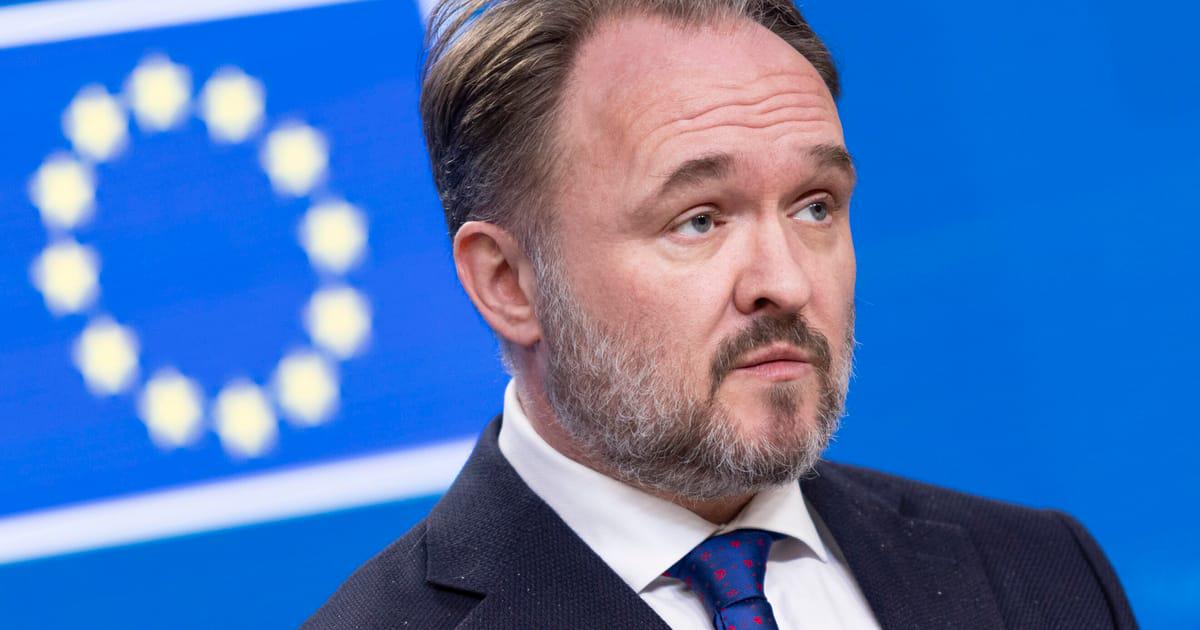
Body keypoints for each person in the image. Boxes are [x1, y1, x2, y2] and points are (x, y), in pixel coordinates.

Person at [305, 1, 1137, 628]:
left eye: (815, 206)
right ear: (509, 283)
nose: (786, 282)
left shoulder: (1043, 577)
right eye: (699, 220)